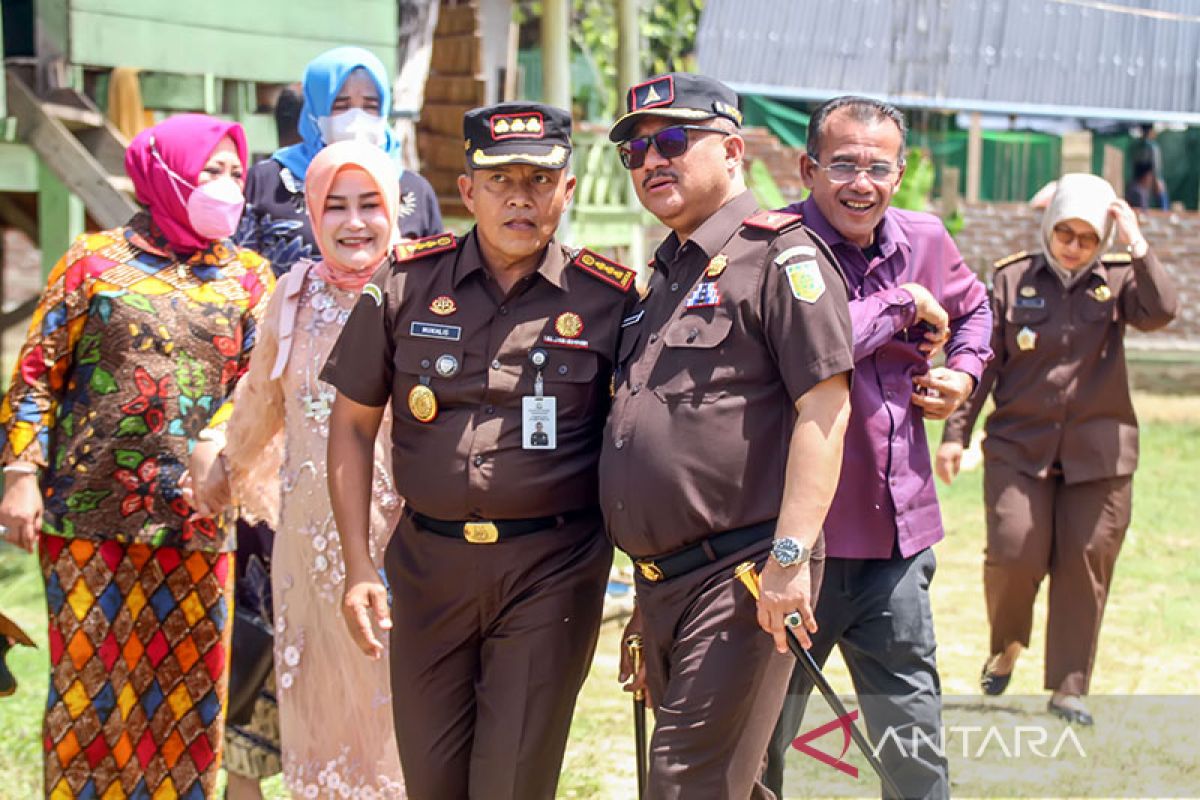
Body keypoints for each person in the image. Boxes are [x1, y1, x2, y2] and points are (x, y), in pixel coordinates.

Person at [322, 102, 632, 800]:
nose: (520, 196)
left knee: (511, 782)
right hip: (427, 571)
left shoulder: (611, 300)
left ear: (569, 189)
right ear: (467, 191)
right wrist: (357, 564)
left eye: (539, 179)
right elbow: (350, 425)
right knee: (432, 781)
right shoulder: (403, 284)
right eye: (499, 180)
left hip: (549, 568)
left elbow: (641, 442)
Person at [0, 114, 273, 799]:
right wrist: (19, 476)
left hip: (198, 525)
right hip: (86, 520)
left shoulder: (248, 277)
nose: (227, 186)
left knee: (186, 704)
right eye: (212, 170)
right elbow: (37, 372)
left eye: (236, 174)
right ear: (165, 173)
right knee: (91, 701)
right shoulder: (92, 261)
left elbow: (260, 388)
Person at [604, 73, 855, 798]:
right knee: (731, 783)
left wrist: (788, 560)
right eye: (637, 150)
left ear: (734, 150)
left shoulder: (782, 258)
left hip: (742, 577)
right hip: (667, 586)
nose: (653, 159)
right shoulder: (663, 275)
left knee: (687, 783)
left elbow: (825, 413)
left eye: (675, 140)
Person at [766, 96, 993, 800]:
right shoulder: (774, 246)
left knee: (913, 745)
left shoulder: (924, 238)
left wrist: (964, 372)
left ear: (900, 174)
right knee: (761, 740)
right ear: (807, 167)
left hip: (896, 546)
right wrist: (901, 303)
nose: (860, 182)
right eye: (841, 164)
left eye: (878, 167)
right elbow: (816, 338)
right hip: (791, 552)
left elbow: (977, 308)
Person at [187, 140, 407, 796]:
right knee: (320, 712)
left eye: (369, 204)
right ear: (312, 214)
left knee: (401, 712)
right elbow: (260, 400)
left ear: (395, 208)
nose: (354, 222)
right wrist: (221, 465)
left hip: (408, 541)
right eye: (335, 206)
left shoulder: (422, 289)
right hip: (310, 546)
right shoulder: (293, 296)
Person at [937, 175, 1178, 726]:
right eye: (1064, 232)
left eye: (1087, 237)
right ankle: (1007, 645)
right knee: (1014, 549)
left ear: (1102, 240)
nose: (1073, 245)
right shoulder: (1011, 278)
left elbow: (1161, 311)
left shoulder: (1119, 283)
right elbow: (982, 362)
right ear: (1048, 228)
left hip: (1101, 455)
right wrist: (956, 436)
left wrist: (1136, 242)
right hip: (1019, 447)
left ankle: (1070, 688)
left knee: (1085, 562)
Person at [236, 46, 442, 276]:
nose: (356, 117)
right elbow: (240, 269)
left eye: (370, 106)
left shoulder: (413, 189)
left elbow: (435, 275)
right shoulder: (269, 181)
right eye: (340, 105)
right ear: (314, 109)